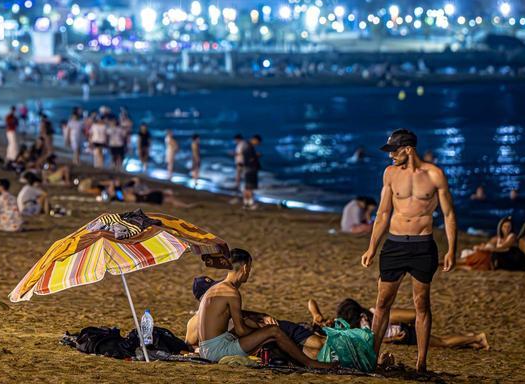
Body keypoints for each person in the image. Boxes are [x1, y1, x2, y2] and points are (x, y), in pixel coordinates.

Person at [359, 128, 457, 373]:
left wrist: (451, 249)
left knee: (421, 303)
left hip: (423, 246)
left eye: (394, 150)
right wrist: (372, 246)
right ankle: (371, 357)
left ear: (408, 149)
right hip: (395, 245)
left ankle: (421, 363)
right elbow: (383, 213)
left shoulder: (435, 175)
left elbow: (448, 214)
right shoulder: (390, 174)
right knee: (382, 302)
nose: (390, 155)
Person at [193, 248, 337, 369]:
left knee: (263, 332)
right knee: (273, 331)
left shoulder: (215, 288)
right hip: (217, 351)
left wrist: (258, 329)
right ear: (245, 268)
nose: (249, 272)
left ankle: (301, 356)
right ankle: (310, 362)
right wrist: (261, 331)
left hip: (206, 348)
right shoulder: (231, 292)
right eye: (249, 268)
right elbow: (241, 330)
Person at [328, 299, 488, 351]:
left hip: (404, 334)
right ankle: (472, 343)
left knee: (442, 342)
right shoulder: (366, 317)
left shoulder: (369, 318)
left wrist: (394, 336)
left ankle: (477, 337)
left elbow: (373, 340)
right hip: (399, 332)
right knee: (440, 342)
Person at [241, 135, 262, 208]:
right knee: (250, 187)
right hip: (250, 169)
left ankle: (246, 203)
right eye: (258, 142)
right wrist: (256, 156)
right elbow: (249, 158)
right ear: (255, 140)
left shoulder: (246, 145)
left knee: (247, 187)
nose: (258, 144)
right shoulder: (248, 147)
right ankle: (250, 203)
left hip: (247, 168)